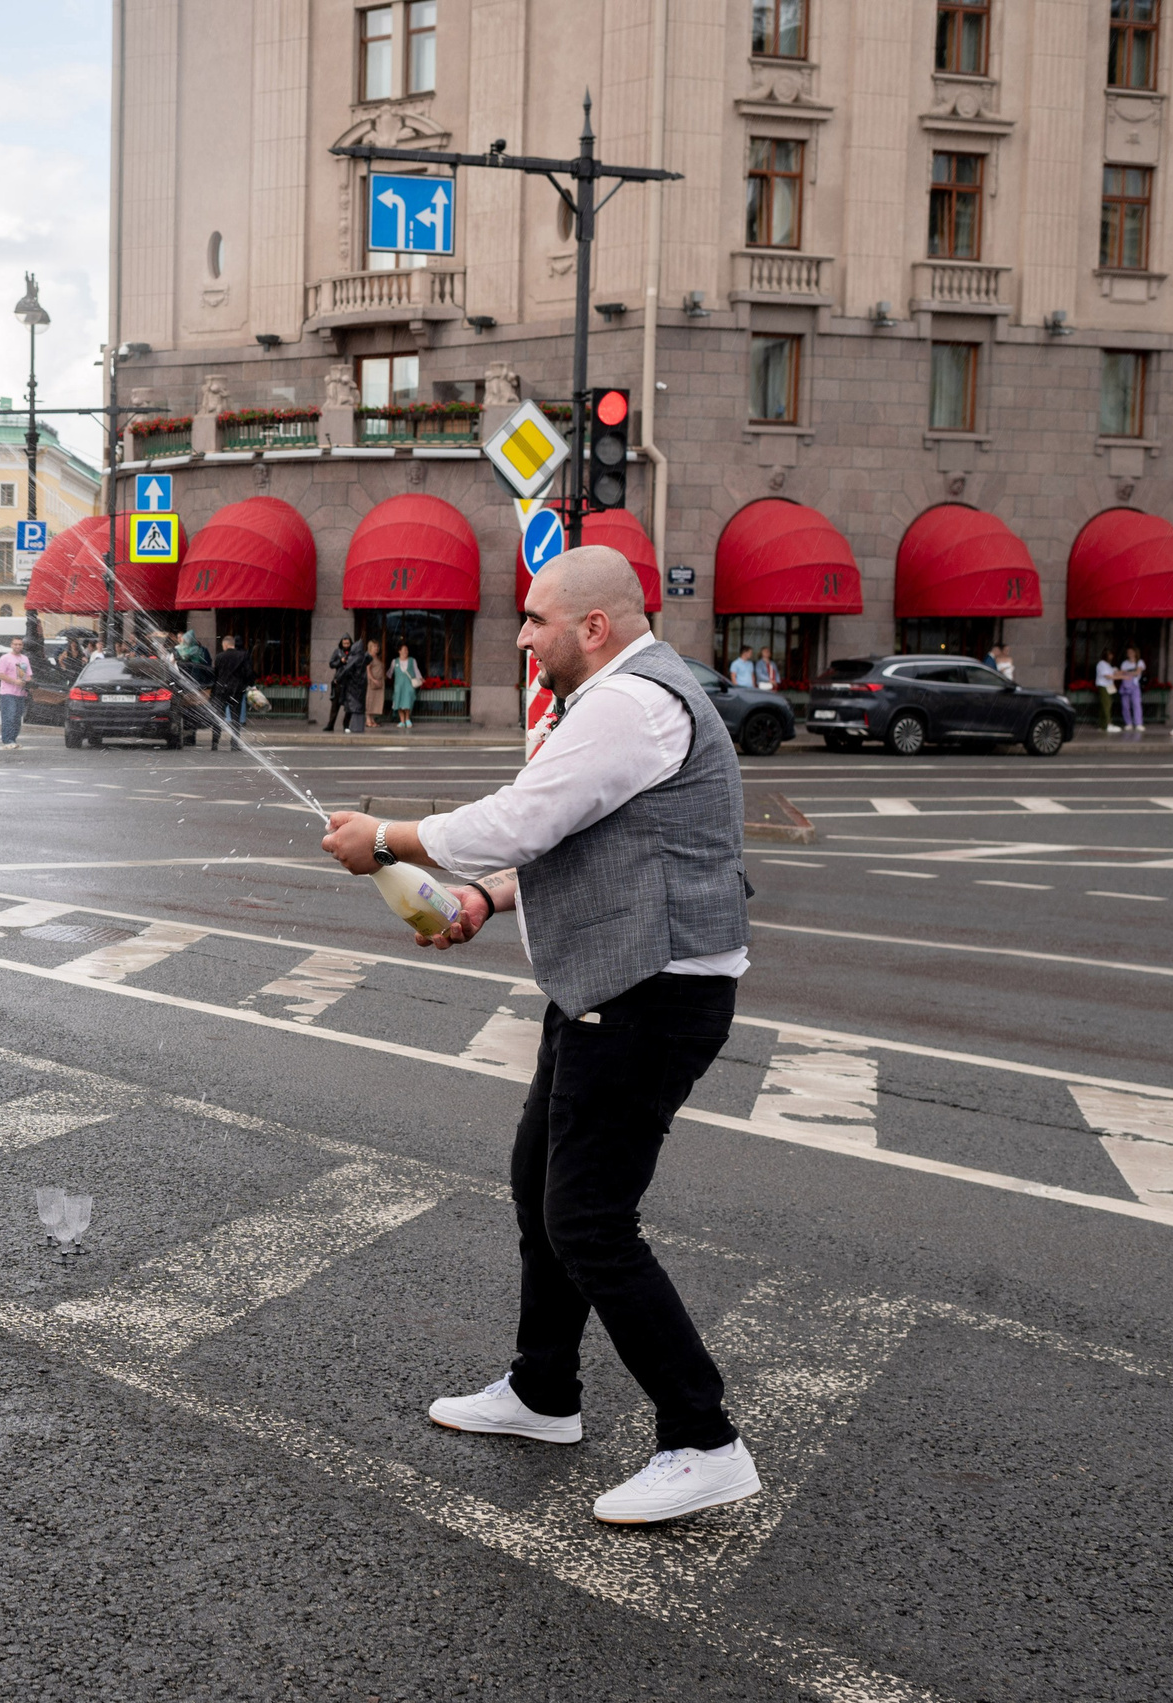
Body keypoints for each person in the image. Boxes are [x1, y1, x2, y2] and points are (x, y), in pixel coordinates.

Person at [320, 546, 759, 1527]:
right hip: (608, 983)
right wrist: (480, 895)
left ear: (591, 626)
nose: (520, 636)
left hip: (652, 990)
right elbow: (571, 837)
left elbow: (520, 818)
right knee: (540, 1184)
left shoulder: (627, 702)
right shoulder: (622, 697)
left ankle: (703, 1437)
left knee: (589, 1217)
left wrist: (386, 839)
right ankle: (542, 1390)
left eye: (533, 619)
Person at [208, 634, 253, 751]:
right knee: (235, 718)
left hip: (221, 690)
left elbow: (215, 675)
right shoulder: (243, 656)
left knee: (218, 717)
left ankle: (214, 743)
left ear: (225, 645)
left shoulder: (219, 657)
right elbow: (248, 673)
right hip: (236, 691)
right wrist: (246, 685)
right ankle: (234, 743)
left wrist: (212, 691)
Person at [0, 635, 33, 751]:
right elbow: (0, 673)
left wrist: (28, 682)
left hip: (21, 693)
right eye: (15, 644)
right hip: (8, 692)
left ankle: (13, 739)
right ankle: (7, 740)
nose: (17, 646)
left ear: (22, 646)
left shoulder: (24, 659)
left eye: (20, 644)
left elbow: (28, 675)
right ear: (11, 645)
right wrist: (14, 681)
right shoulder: (5, 658)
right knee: (9, 716)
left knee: (17, 718)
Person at [334, 638, 370, 734]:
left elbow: (346, 670)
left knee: (350, 707)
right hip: (360, 687)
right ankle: (351, 726)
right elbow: (369, 658)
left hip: (352, 686)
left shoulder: (355, 658)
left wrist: (338, 678)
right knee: (356, 707)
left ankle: (347, 725)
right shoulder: (363, 657)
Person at [322, 636, 355, 731]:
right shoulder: (338, 652)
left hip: (349, 682)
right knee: (335, 705)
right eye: (344, 644)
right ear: (341, 643)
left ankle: (346, 725)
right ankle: (330, 724)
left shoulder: (353, 653)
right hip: (339, 681)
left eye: (348, 644)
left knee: (349, 705)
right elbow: (331, 664)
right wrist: (340, 662)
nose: (346, 645)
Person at [390, 641, 422, 729]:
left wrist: (420, 678)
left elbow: (416, 671)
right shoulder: (394, 661)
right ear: (399, 651)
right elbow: (390, 673)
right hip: (398, 686)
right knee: (399, 702)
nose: (406, 652)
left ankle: (408, 719)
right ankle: (402, 721)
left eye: (407, 650)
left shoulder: (412, 660)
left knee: (408, 702)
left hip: (409, 685)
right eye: (404, 650)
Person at [1118, 647, 1146, 734]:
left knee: (1136, 704)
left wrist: (1127, 672)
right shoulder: (1125, 663)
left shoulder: (1140, 662)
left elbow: (1137, 672)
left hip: (1135, 685)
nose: (1129, 654)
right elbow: (1121, 673)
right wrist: (1130, 672)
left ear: (1135, 653)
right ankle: (1128, 723)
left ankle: (1138, 723)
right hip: (1125, 685)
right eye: (1128, 652)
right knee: (1125, 705)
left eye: (1131, 652)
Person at [1094, 651, 1118, 733]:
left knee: (1107, 704)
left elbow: (1113, 672)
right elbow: (1107, 676)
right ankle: (1107, 724)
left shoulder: (1108, 665)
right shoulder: (1102, 664)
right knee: (1106, 704)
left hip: (1108, 686)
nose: (1111, 656)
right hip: (1103, 686)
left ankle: (1103, 724)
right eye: (1110, 654)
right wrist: (1122, 677)